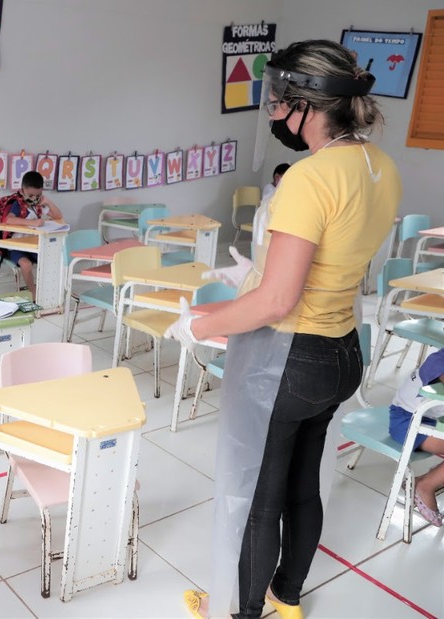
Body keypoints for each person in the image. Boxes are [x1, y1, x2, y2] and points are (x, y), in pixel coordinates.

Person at [165, 39, 401, 619]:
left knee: (257, 496)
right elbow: (325, 264)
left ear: (307, 105)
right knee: (302, 482)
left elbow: (276, 300)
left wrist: (202, 322)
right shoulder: (378, 166)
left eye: (277, 102)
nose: (273, 114)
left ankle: (241, 613)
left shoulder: (309, 178)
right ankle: (286, 598)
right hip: (342, 351)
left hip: (289, 359)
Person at [389, 348, 444, 526]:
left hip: (430, 419)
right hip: (408, 422)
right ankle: (425, 485)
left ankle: (433, 477)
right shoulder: (438, 363)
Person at [0, 171, 64, 300]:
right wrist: (32, 222)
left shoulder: (38, 204)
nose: (34, 198)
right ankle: (33, 292)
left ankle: (49, 289)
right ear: (22, 190)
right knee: (26, 265)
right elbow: (9, 220)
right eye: (30, 195)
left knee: (51, 259)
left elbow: (58, 216)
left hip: (34, 245)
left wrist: (48, 201)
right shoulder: (18, 204)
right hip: (16, 246)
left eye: (38, 195)